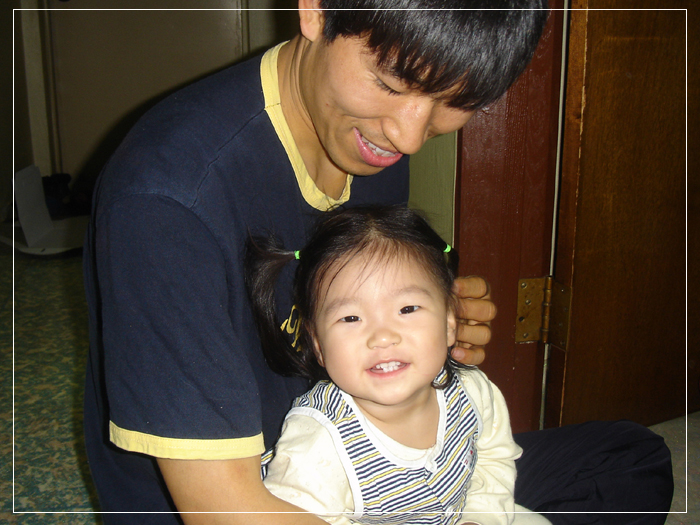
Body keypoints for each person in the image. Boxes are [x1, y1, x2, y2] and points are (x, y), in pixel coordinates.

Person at [82, 1, 672, 524]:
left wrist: (417, 311)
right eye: (392, 83)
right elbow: (226, 511)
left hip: (372, 453)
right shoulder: (168, 199)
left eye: (456, 100)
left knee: (630, 460)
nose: (410, 137)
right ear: (315, 9)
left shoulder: (367, 136)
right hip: (259, 496)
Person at [246, 204, 551, 525]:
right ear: (318, 345)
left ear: (450, 322)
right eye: (350, 318)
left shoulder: (472, 392)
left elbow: (493, 457)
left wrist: (479, 517)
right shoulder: (318, 445)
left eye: (407, 309)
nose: (382, 337)